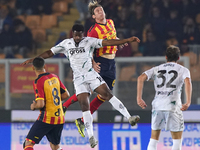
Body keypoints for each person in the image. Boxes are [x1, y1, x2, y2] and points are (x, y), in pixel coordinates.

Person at [21, 24, 140, 148]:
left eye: (79, 34)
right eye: (75, 34)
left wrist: (126, 40)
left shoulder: (89, 41)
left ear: (83, 34)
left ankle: (129, 117)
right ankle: (91, 137)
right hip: (78, 79)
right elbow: (50, 52)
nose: (77, 37)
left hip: (91, 75)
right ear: (72, 33)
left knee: (107, 94)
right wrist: (35, 59)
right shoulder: (66, 43)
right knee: (84, 105)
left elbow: (107, 42)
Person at [62, 1, 135, 138]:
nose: (100, 12)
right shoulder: (93, 31)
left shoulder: (111, 23)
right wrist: (92, 62)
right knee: (88, 91)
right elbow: (87, 47)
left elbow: (112, 38)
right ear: (94, 17)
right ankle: (64, 106)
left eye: (101, 10)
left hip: (111, 62)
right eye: (97, 11)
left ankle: (82, 121)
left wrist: (120, 41)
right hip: (100, 61)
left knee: (104, 95)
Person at [137, 45, 192, 150]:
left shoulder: (157, 69)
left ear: (166, 57)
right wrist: (188, 101)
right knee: (176, 140)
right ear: (179, 58)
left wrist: (139, 98)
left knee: (153, 139)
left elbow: (140, 78)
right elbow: (188, 82)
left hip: (157, 106)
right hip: (173, 107)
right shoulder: (183, 70)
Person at [23, 57, 70, 150]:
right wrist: (52, 100)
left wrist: (33, 106)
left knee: (28, 143)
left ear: (33, 68)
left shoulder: (38, 81)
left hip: (47, 118)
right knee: (55, 146)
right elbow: (66, 94)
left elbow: (40, 104)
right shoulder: (55, 77)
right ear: (45, 66)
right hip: (60, 118)